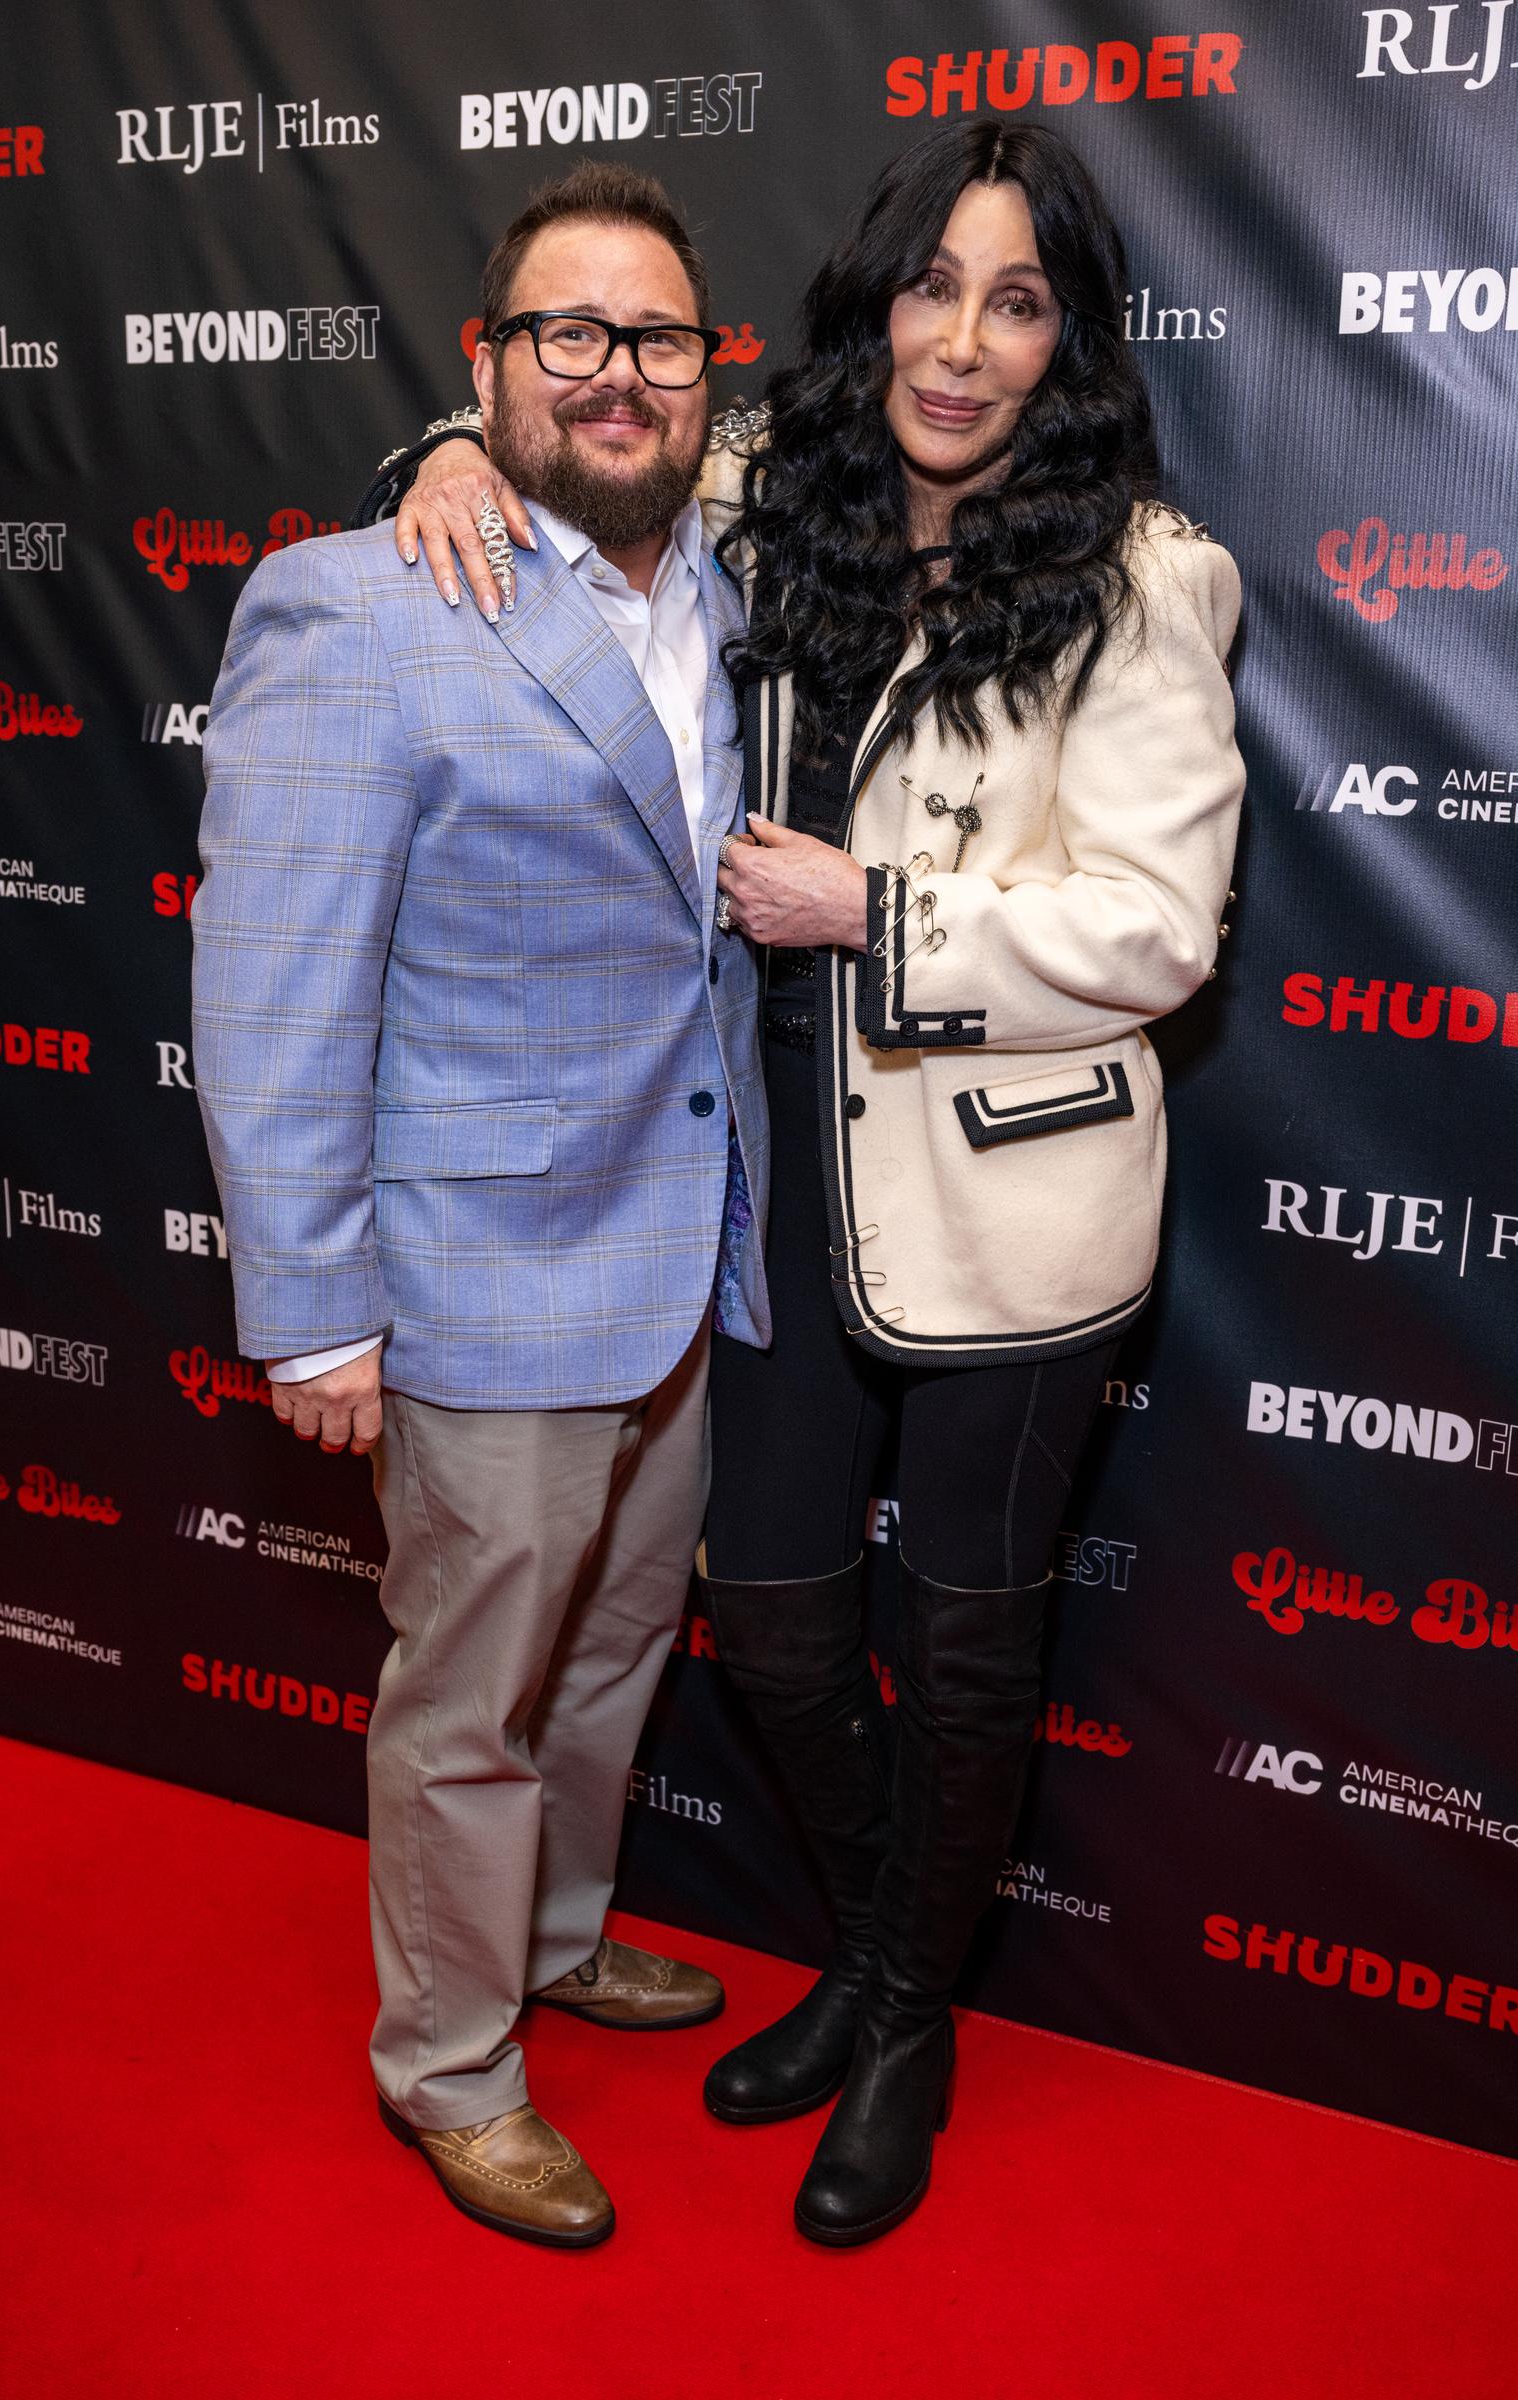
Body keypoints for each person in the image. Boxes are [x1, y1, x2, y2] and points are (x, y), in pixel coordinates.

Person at [363, 119, 1244, 2246]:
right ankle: (873, 1950)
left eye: (1017, 300)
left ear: (1069, 343)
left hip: (1013, 1212)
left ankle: (904, 2019)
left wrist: (883, 912)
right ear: (874, 302)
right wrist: (438, 459)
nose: (961, 339)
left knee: (956, 1657)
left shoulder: (1142, 573)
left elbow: (1158, 928)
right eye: (933, 285)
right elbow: (588, 428)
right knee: (761, 1616)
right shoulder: (776, 483)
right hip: (766, 1184)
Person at [192, 162, 770, 2251]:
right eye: (564, 335)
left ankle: (554, 1939)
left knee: (610, 1659)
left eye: (657, 339)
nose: (615, 376)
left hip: (674, 1259)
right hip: (473, 1280)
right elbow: (272, 979)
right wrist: (317, 1313)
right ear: (487, 364)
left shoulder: (720, 569)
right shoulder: (359, 605)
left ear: (713, 376)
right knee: (470, 1701)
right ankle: (447, 2065)